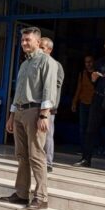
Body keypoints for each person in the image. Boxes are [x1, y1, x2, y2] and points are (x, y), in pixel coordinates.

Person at [0, 27, 58, 210]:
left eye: (28, 40)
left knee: (36, 155)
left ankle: (41, 197)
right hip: (20, 112)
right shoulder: (25, 64)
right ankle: (22, 193)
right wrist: (11, 116)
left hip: (35, 111)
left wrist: (44, 115)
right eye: (23, 40)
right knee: (22, 156)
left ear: (38, 42)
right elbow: (18, 93)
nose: (24, 43)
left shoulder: (47, 62)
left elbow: (49, 90)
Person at [73, 35, 105, 172]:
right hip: (98, 99)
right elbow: (92, 82)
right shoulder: (100, 62)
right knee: (90, 130)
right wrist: (94, 78)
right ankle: (86, 158)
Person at [39, 37, 63, 173]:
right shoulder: (35, 63)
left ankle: (48, 162)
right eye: (39, 47)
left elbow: (56, 84)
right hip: (35, 106)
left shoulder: (55, 65)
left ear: (49, 49)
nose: (40, 50)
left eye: (42, 48)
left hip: (48, 108)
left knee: (47, 135)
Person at [71, 54, 95, 150]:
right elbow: (79, 88)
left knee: (92, 127)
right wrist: (74, 102)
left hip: (94, 103)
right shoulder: (82, 74)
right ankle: (83, 148)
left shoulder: (97, 73)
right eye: (86, 62)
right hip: (83, 103)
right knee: (82, 127)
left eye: (90, 62)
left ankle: (92, 148)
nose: (88, 64)